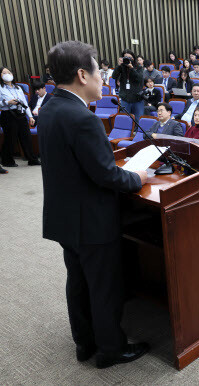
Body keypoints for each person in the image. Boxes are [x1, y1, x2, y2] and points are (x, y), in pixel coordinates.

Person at [39, 40, 149, 368]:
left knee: (78, 281)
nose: (105, 78)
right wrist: (138, 177)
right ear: (83, 75)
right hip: (91, 221)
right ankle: (111, 350)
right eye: (100, 71)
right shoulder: (82, 118)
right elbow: (107, 176)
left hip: (65, 217)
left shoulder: (50, 106)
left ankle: (84, 343)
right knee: (104, 288)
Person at [0, 67, 40, 167]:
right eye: (4, 73)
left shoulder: (18, 87)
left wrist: (30, 116)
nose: (7, 74)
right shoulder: (0, 88)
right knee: (10, 138)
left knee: (26, 137)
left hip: (20, 113)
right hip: (8, 114)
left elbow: (25, 103)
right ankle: (7, 160)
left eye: (8, 72)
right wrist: (7, 102)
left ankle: (32, 159)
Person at [112, 49, 144, 120]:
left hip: (137, 98)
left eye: (129, 57)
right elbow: (114, 76)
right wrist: (119, 66)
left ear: (133, 58)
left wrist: (131, 68)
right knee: (126, 120)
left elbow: (139, 79)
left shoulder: (138, 67)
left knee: (139, 119)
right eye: (125, 57)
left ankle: (137, 131)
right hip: (125, 98)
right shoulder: (121, 67)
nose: (128, 59)